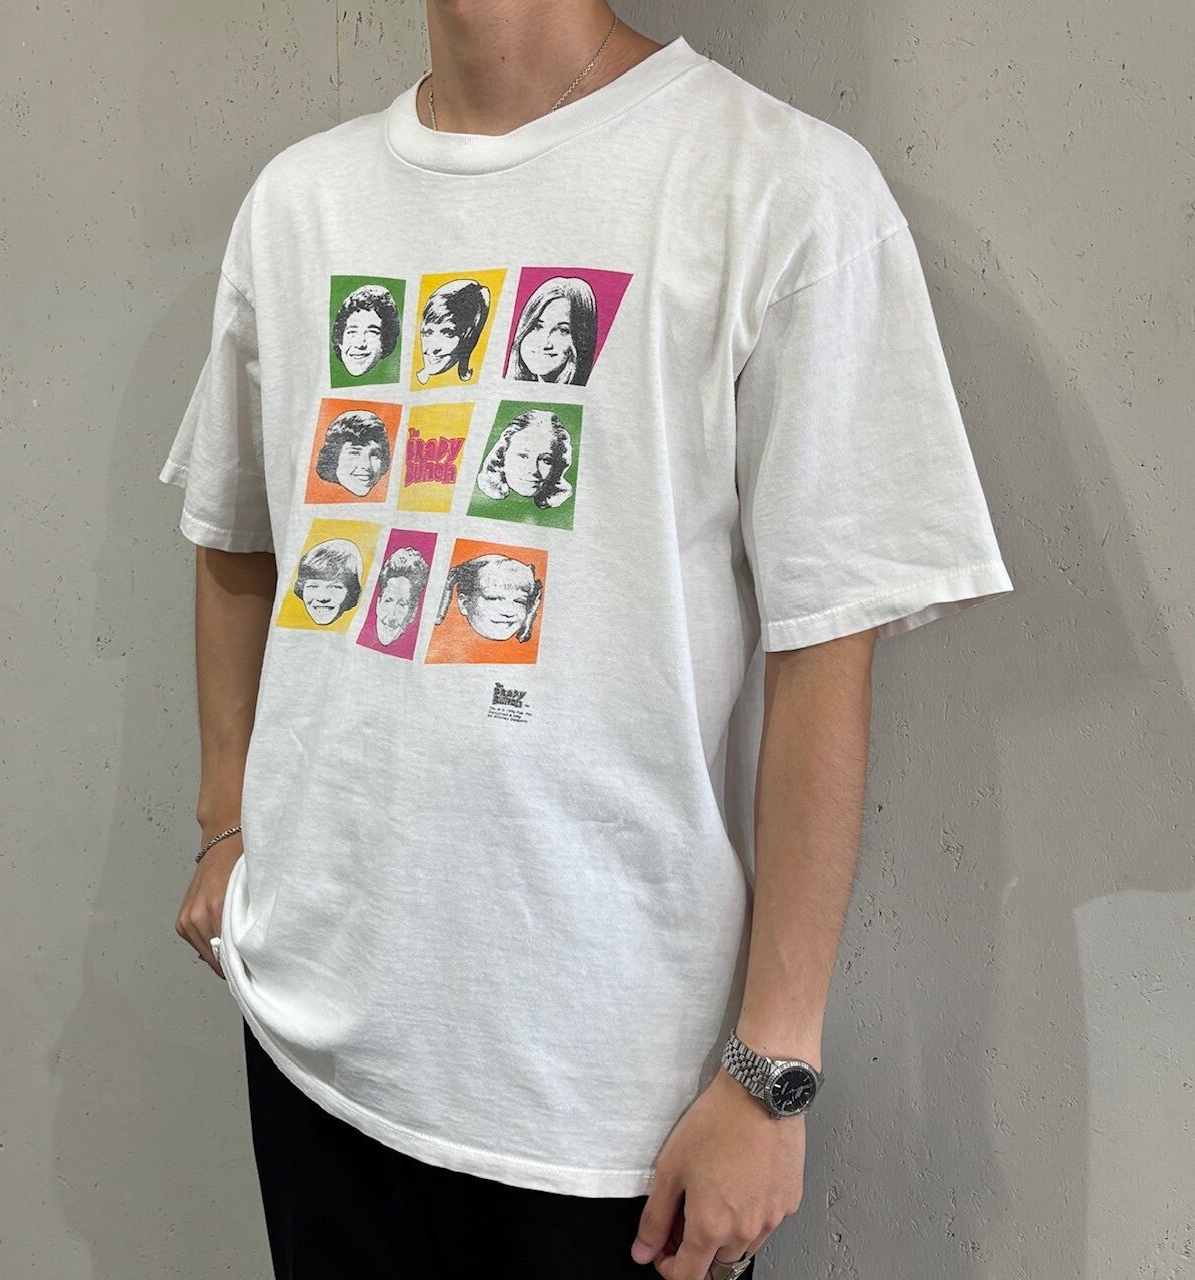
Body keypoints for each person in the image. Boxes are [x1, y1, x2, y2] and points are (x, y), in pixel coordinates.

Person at [160, 4, 1016, 1279]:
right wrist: (225, 817)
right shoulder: (300, 204)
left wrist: (771, 1069)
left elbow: (827, 648)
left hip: (605, 1101)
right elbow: (234, 535)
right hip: (309, 1031)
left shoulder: (777, 185)